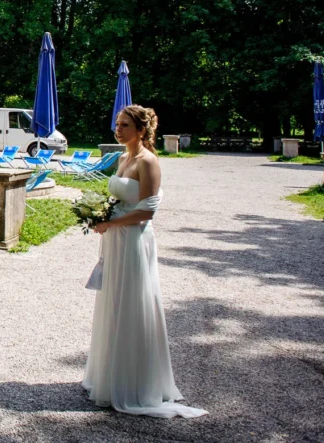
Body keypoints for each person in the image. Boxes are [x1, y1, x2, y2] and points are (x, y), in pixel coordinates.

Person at [82, 105, 207, 419]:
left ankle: (135, 383)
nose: (119, 129)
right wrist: (102, 214)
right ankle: (110, 377)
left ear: (141, 129)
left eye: (125, 125)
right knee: (113, 302)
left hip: (135, 240)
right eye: (117, 124)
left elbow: (148, 209)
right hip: (115, 239)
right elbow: (121, 199)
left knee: (133, 303)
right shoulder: (123, 158)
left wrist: (111, 223)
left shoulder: (148, 161)